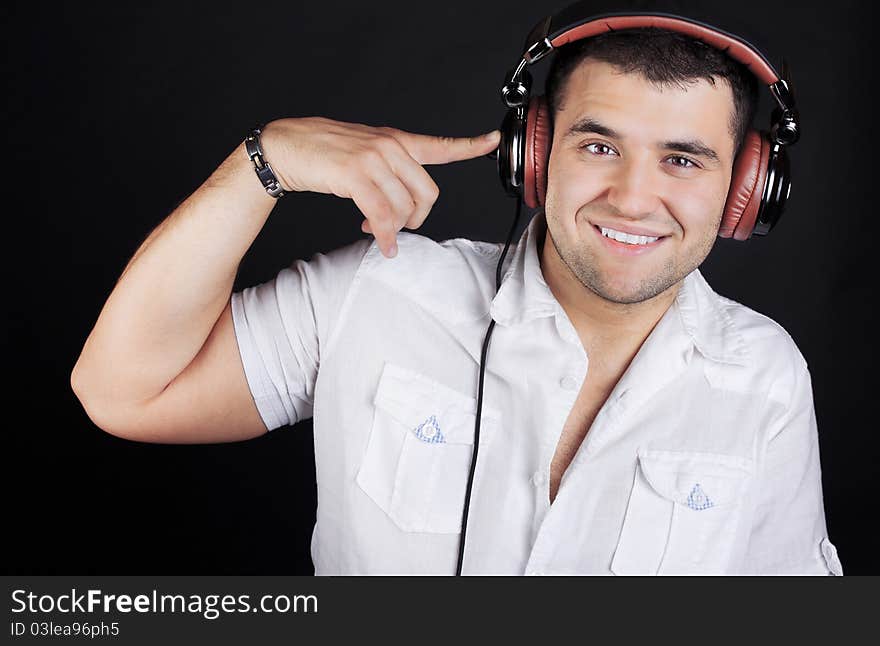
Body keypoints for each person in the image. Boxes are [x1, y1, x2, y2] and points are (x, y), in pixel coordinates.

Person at [70, 6, 842, 575]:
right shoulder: (382, 289)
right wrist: (260, 165)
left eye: (683, 160)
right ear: (533, 157)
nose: (634, 199)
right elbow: (128, 394)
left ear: (746, 190)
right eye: (598, 145)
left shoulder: (765, 379)